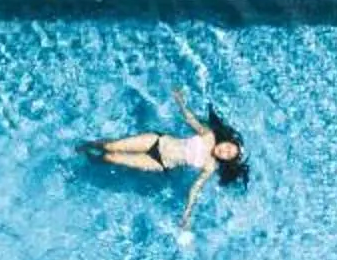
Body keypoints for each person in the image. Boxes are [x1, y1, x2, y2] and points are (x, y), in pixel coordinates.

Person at [86, 89, 249, 228]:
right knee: (110, 147)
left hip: (159, 163)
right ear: (226, 141)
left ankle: (93, 160)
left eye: (228, 155)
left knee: (111, 158)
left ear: (225, 161)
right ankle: (87, 146)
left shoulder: (210, 165)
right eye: (228, 147)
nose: (224, 151)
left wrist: (187, 213)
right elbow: (191, 120)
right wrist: (181, 102)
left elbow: (196, 188)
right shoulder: (209, 135)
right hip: (157, 141)